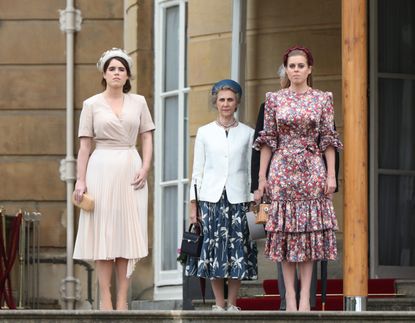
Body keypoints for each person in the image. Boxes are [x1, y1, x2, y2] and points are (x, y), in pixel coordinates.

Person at [254, 46, 343, 312]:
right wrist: (262, 178)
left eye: (300, 65)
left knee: (308, 236)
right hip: (281, 171)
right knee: (284, 235)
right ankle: (289, 298)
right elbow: (267, 140)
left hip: (312, 169)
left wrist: (331, 175)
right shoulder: (274, 99)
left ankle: (305, 297)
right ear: (287, 70)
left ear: (309, 69)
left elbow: (328, 139)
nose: (296, 70)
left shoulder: (322, 99)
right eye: (291, 66)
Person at [72, 48, 155, 310]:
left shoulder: (139, 102)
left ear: (128, 74)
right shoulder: (91, 104)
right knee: (104, 234)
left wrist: (146, 166)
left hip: (130, 168)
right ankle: (105, 297)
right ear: (104, 74)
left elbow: (147, 136)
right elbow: (85, 146)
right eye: (112, 69)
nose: (116, 73)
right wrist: (80, 180)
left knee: (126, 234)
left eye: (121, 69)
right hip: (101, 168)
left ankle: (122, 298)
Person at [185, 79, 258, 312]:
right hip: (211, 200)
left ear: (237, 103)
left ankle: (233, 303)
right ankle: (218, 304)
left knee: (237, 250)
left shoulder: (248, 133)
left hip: (239, 200)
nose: (226, 104)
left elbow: (250, 169)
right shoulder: (204, 132)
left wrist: (253, 201)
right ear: (215, 103)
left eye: (230, 100)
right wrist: (193, 207)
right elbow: (197, 172)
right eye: (221, 100)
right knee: (214, 250)